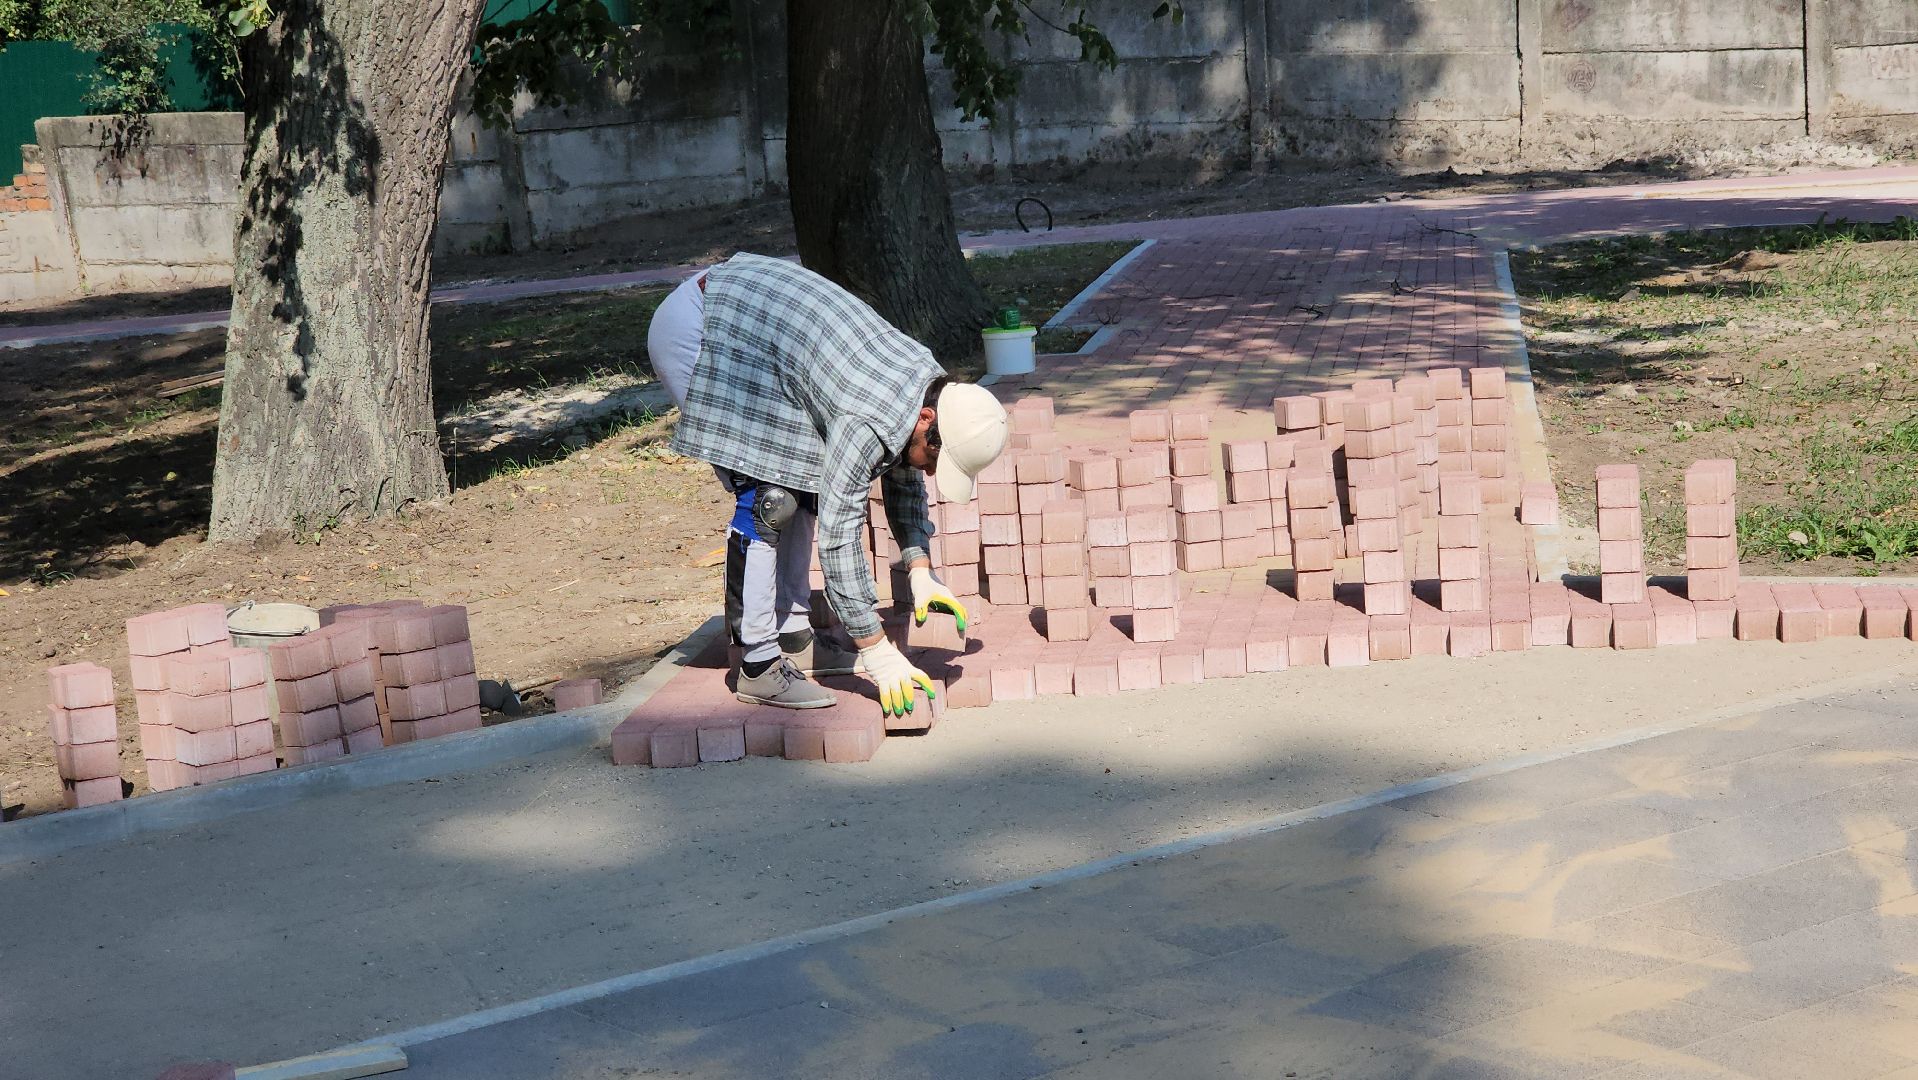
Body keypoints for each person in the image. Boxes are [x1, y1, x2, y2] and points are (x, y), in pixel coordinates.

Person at [647, 253, 1009, 718]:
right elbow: (839, 540)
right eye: (938, 458)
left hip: (765, 335)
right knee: (769, 497)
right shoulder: (868, 417)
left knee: (804, 484)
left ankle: (794, 638)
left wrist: (919, 564)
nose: (934, 474)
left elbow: (899, 463)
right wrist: (876, 650)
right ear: (927, 419)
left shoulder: (924, 388)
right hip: (708, 327)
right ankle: (757, 666)